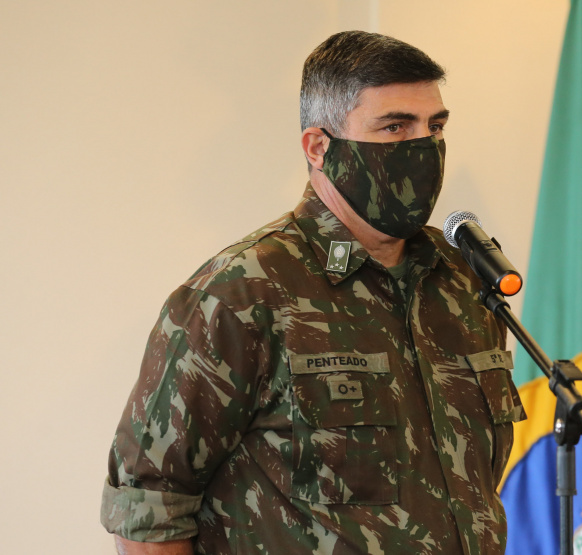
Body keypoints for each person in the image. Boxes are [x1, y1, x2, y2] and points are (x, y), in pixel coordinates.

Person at [100, 31, 526, 555]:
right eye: (395, 126)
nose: (423, 146)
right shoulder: (241, 292)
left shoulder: (460, 278)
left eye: (434, 126)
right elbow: (148, 508)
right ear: (319, 147)